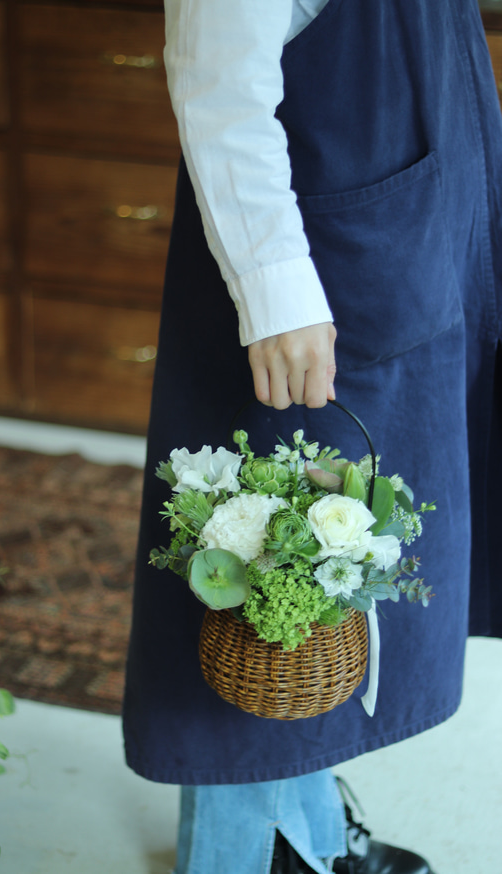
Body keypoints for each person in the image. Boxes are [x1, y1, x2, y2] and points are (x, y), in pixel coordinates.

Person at [122, 1, 502, 872]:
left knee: (337, 574)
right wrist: (275, 291)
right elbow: (219, 82)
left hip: (401, 237)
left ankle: (304, 818)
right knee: (264, 565)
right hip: (314, 277)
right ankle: (248, 853)